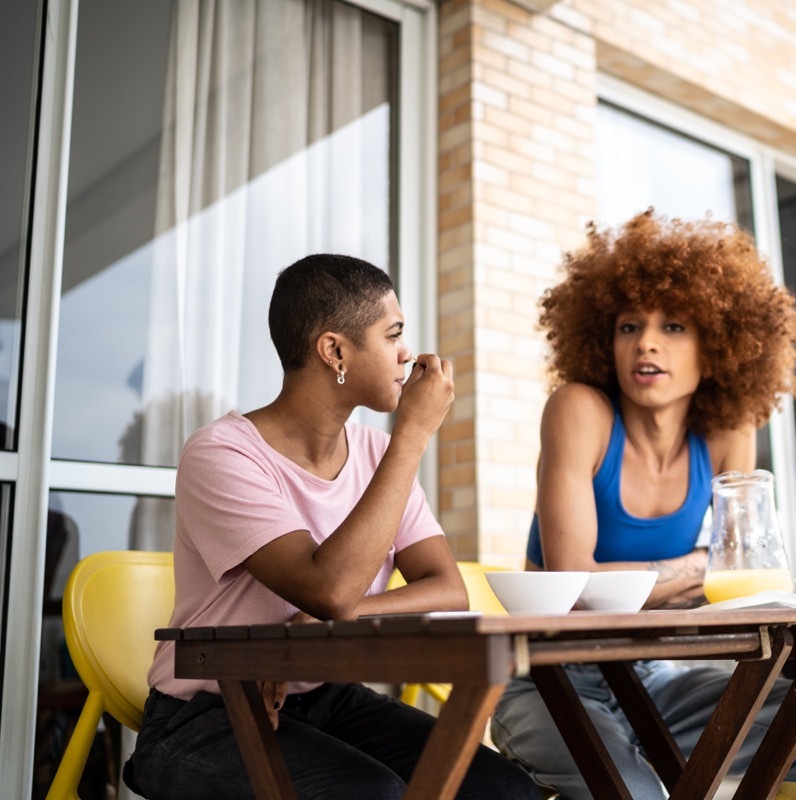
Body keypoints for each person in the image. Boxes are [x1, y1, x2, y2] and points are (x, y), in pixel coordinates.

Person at [123, 254, 542, 800]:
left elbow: (446, 587)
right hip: (207, 712)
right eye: (392, 335)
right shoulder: (222, 454)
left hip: (329, 698)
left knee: (502, 789)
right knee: (371, 794)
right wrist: (413, 434)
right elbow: (332, 592)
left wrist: (302, 626)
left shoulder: (375, 453)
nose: (407, 354)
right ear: (335, 350)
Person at [489, 212, 796, 798]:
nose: (646, 341)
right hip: (552, 676)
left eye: (673, 326)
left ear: (718, 345)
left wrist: (693, 575)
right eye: (628, 327)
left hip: (653, 674)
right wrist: (699, 567)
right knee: (635, 791)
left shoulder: (725, 430)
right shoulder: (580, 412)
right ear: (604, 341)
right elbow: (575, 586)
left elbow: (745, 577)